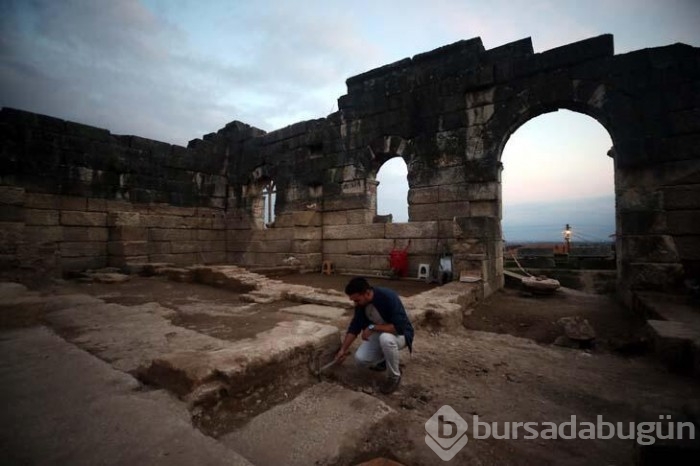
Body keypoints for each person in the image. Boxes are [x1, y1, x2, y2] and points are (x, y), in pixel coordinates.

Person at [335, 277, 414, 394]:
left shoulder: (388, 297)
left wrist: (373, 327)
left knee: (386, 339)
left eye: (357, 300)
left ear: (367, 293)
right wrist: (343, 350)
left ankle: (394, 377)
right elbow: (354, 327)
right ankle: (384, 362)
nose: (355, 303)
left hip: (400, 335)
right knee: (360, 359)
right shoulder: (361, 306)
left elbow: (399, 327)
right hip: (380, 334)